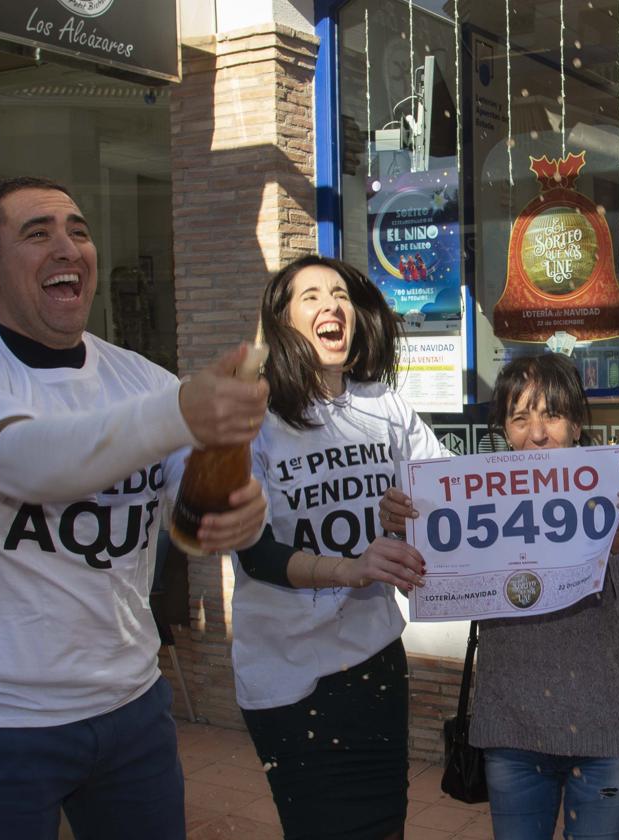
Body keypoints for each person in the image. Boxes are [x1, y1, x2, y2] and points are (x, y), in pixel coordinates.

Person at [0, 176, 269, 840]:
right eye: (37, 233)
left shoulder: (142, 379)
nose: (67, 246)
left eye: (78, 229)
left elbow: (198, 495)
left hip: (131, 708)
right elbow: (28, 463)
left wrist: (240, 507)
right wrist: (180, 410)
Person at [381, 353, 619, 839]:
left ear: (577, 424)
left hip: (606, 736)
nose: (537, 434)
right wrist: (401, 528)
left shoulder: (616, 500)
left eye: (552, 415)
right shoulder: (472, 500)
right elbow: (424, 582)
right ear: (502, 428)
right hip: (512, 737)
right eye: (520, 418)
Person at [233, 254, 444, 840]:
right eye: (311, 296)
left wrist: (409, 516)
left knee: (383, 827)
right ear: (281, 321)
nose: (333, 305)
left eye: (341, 294)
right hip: (291, 677)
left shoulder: (386, 406)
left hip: (375, 661)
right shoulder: (254, 416)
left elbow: (450, 495)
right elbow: (253, 552)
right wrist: (351, 570)